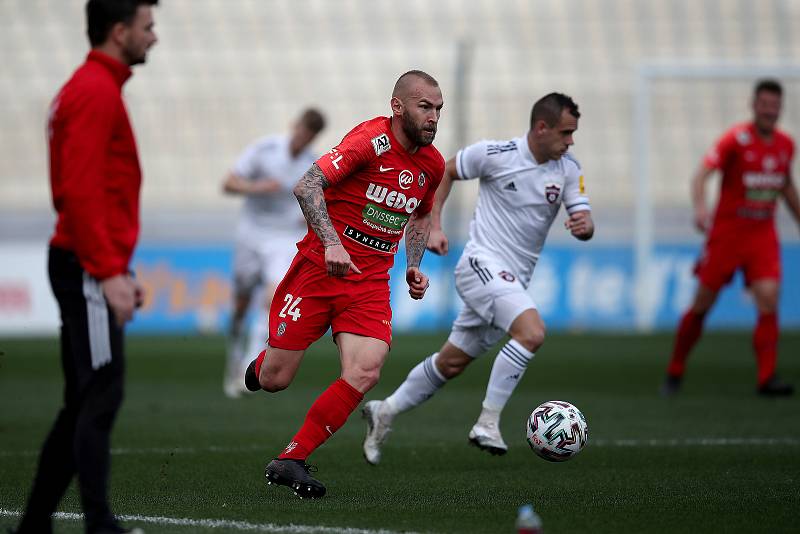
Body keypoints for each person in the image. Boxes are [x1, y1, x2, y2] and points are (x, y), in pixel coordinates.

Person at [361, 93, 594, 464]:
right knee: (532, 332)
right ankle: (487, 422)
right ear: (541, 127)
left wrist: (584, 226)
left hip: (512, 281)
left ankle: (384, 410)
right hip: (480, 264)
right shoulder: (496, 154)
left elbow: (583, 217)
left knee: (450, 363)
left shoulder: (569, 170)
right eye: (565, 133)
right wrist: (434, 224)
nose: (570, 141)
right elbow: (447, 171)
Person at [242, 70, 445, 498]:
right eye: (425, 107)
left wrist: (412, 263)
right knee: (276, 379)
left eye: (438, 110)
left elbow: (422, 214)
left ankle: (290, 459)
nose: (433, 118)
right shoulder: (368, 141)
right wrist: (333, 244)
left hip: (370, 282)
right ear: (398, 107)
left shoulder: (432, 164)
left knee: (366, 369)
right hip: (318, 269)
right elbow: (307, 184)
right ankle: (263, 365)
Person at [14, 2, 157, 534]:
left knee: (83, 398)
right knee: (101, 391)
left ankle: (34, 525)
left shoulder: (90, 87)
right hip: (85, 262)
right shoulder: (95, 92)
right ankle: (98, 523)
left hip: (83, 259)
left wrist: (112, 266)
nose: (154, 37)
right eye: (148, 27)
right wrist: (108, 270)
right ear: (119, 32)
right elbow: (78, 192)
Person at [662, 79, 800, 397]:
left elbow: (786, 185)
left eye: (775, 105)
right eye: (764, 104)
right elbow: (701, 174)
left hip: (762, 234)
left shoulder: (785, 145)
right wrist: (700, 209)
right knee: (702, 305)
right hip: (728, 234)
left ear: (780, 108)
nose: (769, 110)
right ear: (754, 105)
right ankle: (675, 370)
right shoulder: (735, 140)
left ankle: (767, 378)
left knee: (769, 299)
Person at [222, 109, 326, 398]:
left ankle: (248, 368)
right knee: (241, 303)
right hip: (252, 233)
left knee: (273, 296)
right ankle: (234, 356)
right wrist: (257, 187)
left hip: (284, 238)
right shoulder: (265, 149)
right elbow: (229, 183)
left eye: (310, 135)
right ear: (294, 125)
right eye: (302, 130)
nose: (303, 138)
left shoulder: (312, 164)